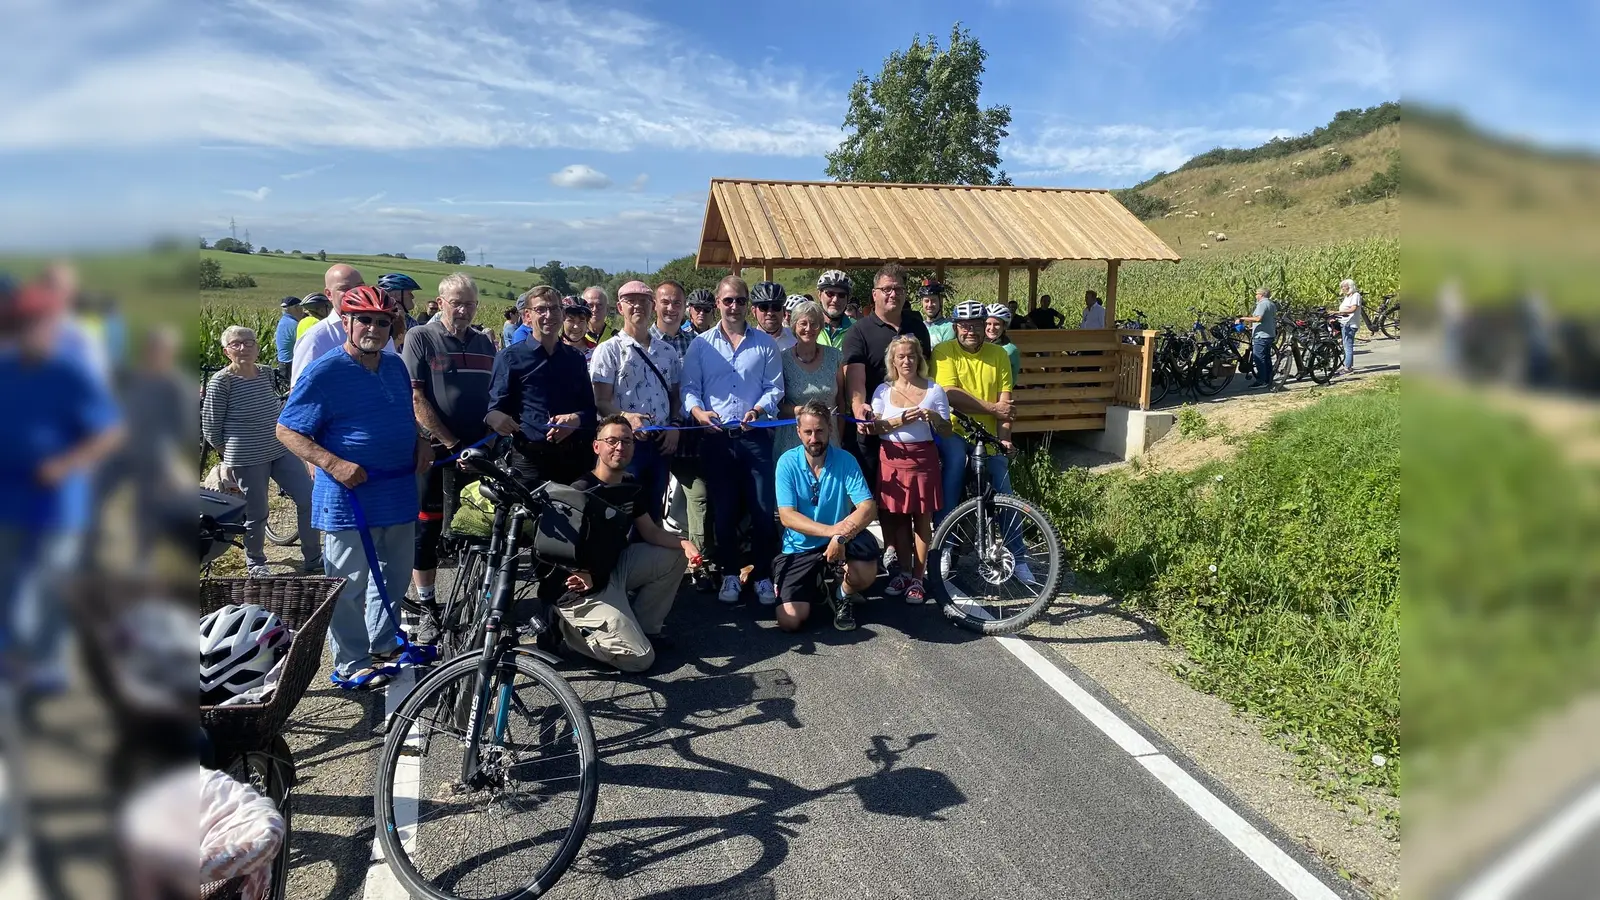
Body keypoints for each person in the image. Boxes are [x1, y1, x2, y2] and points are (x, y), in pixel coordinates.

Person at [276, 286, 432, 690]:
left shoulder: (395, 366)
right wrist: (332, 463)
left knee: (395, 577)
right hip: (349, 499)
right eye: (365, 320)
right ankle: (351, 661)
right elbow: (287, 429)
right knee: (346, 586)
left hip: (396, 492)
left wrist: (420, 440)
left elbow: (404, 413)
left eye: (384, 321)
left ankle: (383, 645)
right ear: (345, 321)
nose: (374, 328)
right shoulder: (324, 371)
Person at [0, 276, 123, 692]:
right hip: (10, 501)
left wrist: (66, 463)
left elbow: (107, 432)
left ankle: (44, 665)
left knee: (50, 587)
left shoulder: (67, 375)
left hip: (60, 504)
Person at [552, 416, 701, 672]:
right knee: (641, 659)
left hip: (614, 570)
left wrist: (685, 543)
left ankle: (645, 629)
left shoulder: (630, 484)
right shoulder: (580, 492)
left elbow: (652, 533)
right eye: (611, 441)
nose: (620, 447)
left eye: (626, 441)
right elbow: (553, 548)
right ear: (596, 447)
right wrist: (579, 571)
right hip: (581, 590)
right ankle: (570, 633)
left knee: (675, 554)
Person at [400, 274, 495, 642]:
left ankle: (475, 601)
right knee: (426, 528)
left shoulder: (485, 343)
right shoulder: (421, 337)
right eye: (456, 302)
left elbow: (495, 396)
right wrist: (450, 442)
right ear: (440, 302)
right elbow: (416, 398)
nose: (463, 309)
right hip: (440, 452)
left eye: (469, 303)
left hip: (480, 449)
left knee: (478, 526)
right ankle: (427, 607)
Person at [681, 275, 784, 606]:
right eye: (728, 301)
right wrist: (698, 413)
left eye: (740, 300)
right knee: (722, 511)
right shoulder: (701, 345)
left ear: (747, 304)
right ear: (718, 301)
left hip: (755, 437)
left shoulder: (765, 344)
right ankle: (729, 572)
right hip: (717, 439)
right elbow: (689, 389)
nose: (734, 306)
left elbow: (774, 388)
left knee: (763, 509)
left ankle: (764, 576)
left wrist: (759, 408)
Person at [204, 324, 318, 576]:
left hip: (279, 448)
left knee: (308, 497)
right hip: (246, 456)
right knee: (257, 512)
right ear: (226, 351)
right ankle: (255, 562)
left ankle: (313, 557)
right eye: (236, 344)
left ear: (257, 347)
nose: (243, 347)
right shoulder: (221, 382)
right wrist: (230, 453)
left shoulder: (266, 373)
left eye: (249, 342)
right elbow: (211, 426)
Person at [773, 401, 880, 632]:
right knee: (789, 620)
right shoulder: (786, 463)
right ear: (798, 431)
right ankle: (816, 585)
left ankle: (842, 594)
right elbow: (787, 517)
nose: (814, 438)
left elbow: (867, 507)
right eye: (808, 432)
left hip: (839, 543)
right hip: (800, 547)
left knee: (867, 571)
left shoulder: (845, 460)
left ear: (830, 429)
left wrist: (840, 538)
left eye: (820, 431)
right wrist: (834, 532)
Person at [486, 286, 598, 486]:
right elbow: (495, 409)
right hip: (528, 459)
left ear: (562, 313)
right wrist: (496, 418)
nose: (549, 315)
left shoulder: (575, 359)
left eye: (554, 309)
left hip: (572, 458)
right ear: (527, 315)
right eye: (541, 310)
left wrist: (575, 419)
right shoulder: (510, 358)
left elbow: (590, 411)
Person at [591, 280, 681, 522]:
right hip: (625, 446)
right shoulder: (608, 350)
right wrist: (627, 418)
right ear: (620, 308)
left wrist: (675, 426)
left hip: (661, 444)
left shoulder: (667, 352)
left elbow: (675, 396)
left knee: (654, 512)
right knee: (622, 514)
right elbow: (601, 401)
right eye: (630, 301)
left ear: (652, 306)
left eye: (643, 301)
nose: (637, 306)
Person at [869, 336, 951, 603]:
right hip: (891, 460)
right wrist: (899, 419)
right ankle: (903, 571)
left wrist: (936, 419)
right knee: (899, 518)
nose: (906, 361)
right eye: (901, 356)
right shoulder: (882, 390)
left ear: (919, 359)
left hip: (923, 459)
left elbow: (947, 431)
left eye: (911, 356)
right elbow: (875, 428)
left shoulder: (934, 390)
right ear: (892, 360)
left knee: (922, 519)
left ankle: (918, 576)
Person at [842, 263, 931, 493]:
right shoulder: (858, 332)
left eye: (899, 289)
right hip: (874, 426)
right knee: (872, 498)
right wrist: (858, 407)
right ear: (874, 294)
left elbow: (926, 372)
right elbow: (856, 380)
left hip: (914, 428)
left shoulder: (918, 327)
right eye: (887, 289)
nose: (894, 294)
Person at [932, 301, 1017, 532]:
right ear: (955, 327)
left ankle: (1018, 557)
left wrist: (1005, 438)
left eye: (976, 325)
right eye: (964, 326)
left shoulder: (999, 354)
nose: (970, 331)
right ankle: (943, 543)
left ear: (983, 326)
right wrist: (992, 409)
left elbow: (1006, 405)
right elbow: (949, 394)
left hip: (988, 435)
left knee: (1004, 487)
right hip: (954, 430)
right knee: (954, 467)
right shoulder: (943, 351)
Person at [291, 265, 390, 389]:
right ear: (329, 294)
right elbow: (300, 391)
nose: (355, 292)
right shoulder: (316, 338)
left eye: (359, 286)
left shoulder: (380, 330)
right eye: (345, 288)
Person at [774, 299, 844, 461]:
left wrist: (839, 436)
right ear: (794, 327)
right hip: (793, 439)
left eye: (814, 324)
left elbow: (841, 401)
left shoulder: (835, 357)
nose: (808, 329)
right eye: (803, 324)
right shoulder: (783, 359)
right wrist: (799, 411)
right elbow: (777, 403)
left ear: (820, 326)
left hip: (829, 437)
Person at [1237, 286, 1278, 388]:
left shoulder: (1262, 304)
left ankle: (1261, 380)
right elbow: (1267, 320)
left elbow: (1258, 318)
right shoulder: (1271, 304)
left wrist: (1243, 319)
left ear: (1261, 295)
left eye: (1257, 294)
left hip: (1261, 336)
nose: (1256, 296)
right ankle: (1268, 379)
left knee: (1258, 358)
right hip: (1269, 334)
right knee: (1266, 358)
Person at [751, 281, 796, 351]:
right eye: (764, 307)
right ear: (754, 311)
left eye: (776, 307)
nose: (770, 313)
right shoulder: (746, 342)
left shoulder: (796, 338)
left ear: (784, 310)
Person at [816, 270, 855, 349]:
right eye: (830, 294)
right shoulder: (808, 327)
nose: (835, 300)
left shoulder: (857, 329)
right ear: (819, 295)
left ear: (848, 298)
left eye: (841, 295)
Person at [986, 304, 1022, 382]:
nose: (992, 328)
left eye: (997, 324)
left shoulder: (1009, 350)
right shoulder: (981, 345)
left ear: (1004, 326)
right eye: (988, 324)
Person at [1334, 278, 1363, 375]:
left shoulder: (1356, 295)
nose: (1342, 288)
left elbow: (1353, 309)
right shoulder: (1347, 297)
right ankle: (1347, 365)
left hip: (1350, 324)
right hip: (1344, 322)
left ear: (1350, 287)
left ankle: (1348, 367)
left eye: (1344, 286)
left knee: (1348, 346)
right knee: (1345, 345)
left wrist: (1338, 312)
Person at [274, 296, 304, 381]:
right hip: (290, 363)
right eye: (300, 307)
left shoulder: (284, 320)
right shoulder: (293, 324)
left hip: (284, 362)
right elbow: (303, 343)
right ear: (296, 308)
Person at [919, 279, 954, 347]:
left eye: (933, 301)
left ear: (940, 301)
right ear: (922, 303)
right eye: (926, 301)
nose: (930, 305)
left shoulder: (949, 326)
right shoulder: (919, 326)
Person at [561, 298, 598, 363]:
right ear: (561, 322)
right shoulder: (551, 349)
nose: (576, 326)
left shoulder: (596, 351)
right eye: (570, 320)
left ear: (587, 323)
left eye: (581, 321)